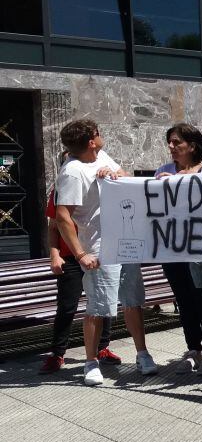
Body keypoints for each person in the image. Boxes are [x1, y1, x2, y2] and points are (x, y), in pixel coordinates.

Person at [53, 119, 157, 385]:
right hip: (98, 249)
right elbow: (62, 216)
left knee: (133, 301)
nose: (101, 136)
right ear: (90, 141)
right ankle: (90, 362)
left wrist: (115, 176)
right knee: (97, 308)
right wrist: (80, 254)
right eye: (98, 134)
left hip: (124, 242)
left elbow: (124, 176)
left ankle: (142, 354)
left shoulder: (101, 156)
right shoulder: (72, 171)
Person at [40, 157, 119, 373]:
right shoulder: (60, 189)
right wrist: (54, 255)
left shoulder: (97, 183)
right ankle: (57, 353)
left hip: (95, 251)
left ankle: (103, 347)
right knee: (67, 306)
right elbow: (54, 226)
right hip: (71, 256)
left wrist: (112, 174)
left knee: (102, 300)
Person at [154, 124, 202, 375]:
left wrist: (179, 182)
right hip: (172, 247)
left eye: (176, 142)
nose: (171, 147)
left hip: (201, 247)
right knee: (184, 299)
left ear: (192, 146)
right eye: (169, 143)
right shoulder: (162, 171)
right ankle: (194, 349)